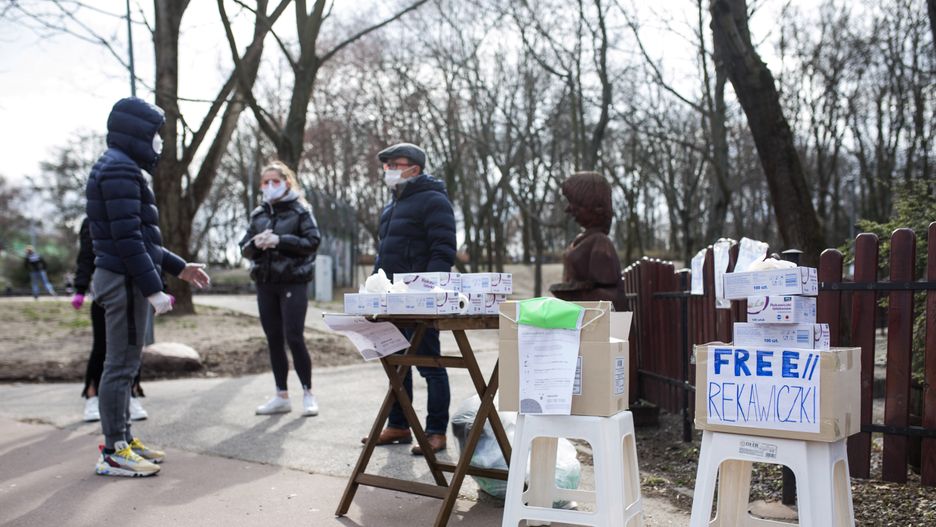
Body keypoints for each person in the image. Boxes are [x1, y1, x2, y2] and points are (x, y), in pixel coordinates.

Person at [86, 96, 210, 477]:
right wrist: (154, 288)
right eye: (156, 133)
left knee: (125, 364)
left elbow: (142, 236)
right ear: (139, 131)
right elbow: (128, 240)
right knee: (119, 367)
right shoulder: (121, 170)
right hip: (123, 280)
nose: (160, 142)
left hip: (122, 277)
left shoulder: (119, 167)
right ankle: (114, 451)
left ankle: (123, 439)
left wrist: (179, 268)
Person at [364, 143, 457, 455]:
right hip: (389, 300)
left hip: (420, 300)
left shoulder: (434, 200)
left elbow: (443, 250)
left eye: (395, 163)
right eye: (386, 164)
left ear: (414, 168)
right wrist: (373, 291)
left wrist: (430, 292)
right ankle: (399, 424)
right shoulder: (390, 207)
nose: (389, 169)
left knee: (429, 365)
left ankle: (434, 431)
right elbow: (384, 254)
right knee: (395, 363)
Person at [240, 161, 321, 417]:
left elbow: (312, 241)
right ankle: (281, 395)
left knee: (294, 336)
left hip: (293, 281)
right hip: (265, 283)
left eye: (275, 181)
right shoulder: (258, 214)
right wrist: (256, 243)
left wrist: (280, 240)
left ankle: (308, 393)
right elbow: (244, 246)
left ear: (287, 182)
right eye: (266, 182)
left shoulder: (301, 211)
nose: (270, 186)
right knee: (273, 338)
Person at [72, 217, 150, 423]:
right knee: (102, 347)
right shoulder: (92, 221)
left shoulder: (136, 216)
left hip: (134, 290)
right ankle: (91, 394)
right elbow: (86, 256)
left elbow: (151, 251)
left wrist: (161, 287)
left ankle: (131, 394)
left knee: (134, 346)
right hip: (105, 292)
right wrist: (80, 288)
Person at [548, 171, 626, 310]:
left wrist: (575, 294)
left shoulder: (601, 244)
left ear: (595, 206)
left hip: (605, 325)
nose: (568, 209)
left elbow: (610, 296)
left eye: (574, 203)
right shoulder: (583, 239)